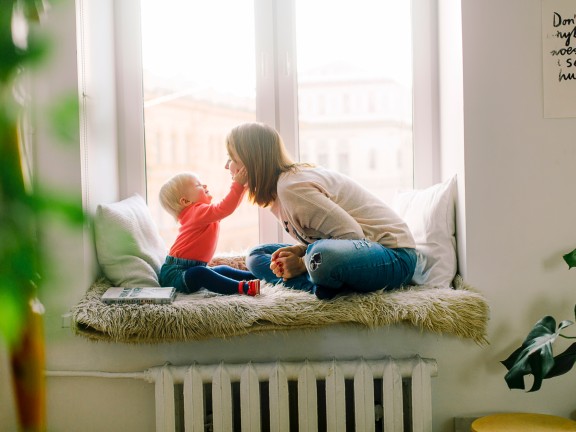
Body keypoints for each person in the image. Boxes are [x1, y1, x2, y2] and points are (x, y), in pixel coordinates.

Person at [224, 122, 417, 299]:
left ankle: (317, 280)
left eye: (232, 158)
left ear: (251, 162)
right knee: (257, 255)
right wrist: (301, 252)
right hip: (353, 251)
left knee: (321, 256)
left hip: (394, 256)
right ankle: (319, 286)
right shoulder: (278, 193)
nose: (227, 166)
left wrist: (301, 263)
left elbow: (352, 235)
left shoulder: (291, 188)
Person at [158, 170, 260, 296]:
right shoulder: (196, 212)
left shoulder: (201, 214)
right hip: (175, 274)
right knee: (201, 273)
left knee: (221, 269)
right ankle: (243, 288)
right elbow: (225, 208)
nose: (204, 185)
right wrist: (238, 185)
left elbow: (228, 209)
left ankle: (255, 276)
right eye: (198, 185)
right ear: (185, 201)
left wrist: (243, 189)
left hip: (190, 268)